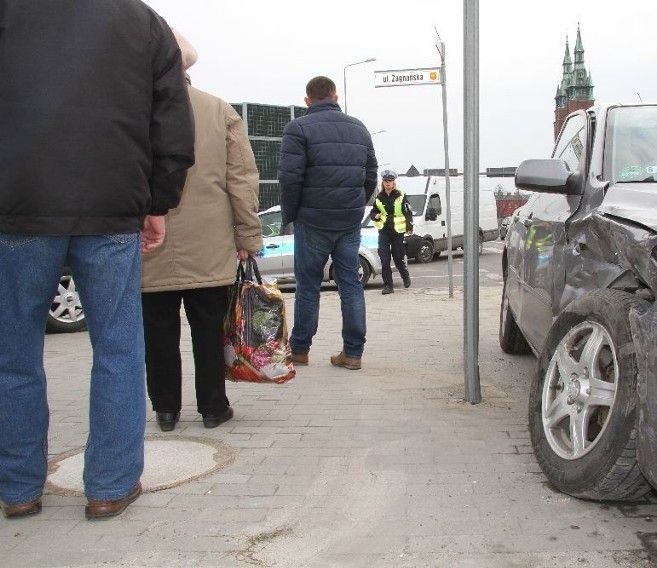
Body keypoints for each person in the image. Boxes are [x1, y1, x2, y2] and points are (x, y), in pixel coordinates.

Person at [0, 1, 194, 520]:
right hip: (112, 205)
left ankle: (18, 488)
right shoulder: (139, 20)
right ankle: (109, 485)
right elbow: (171, 116)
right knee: (118, 348)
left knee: (14, 354)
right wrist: (159, 202)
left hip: (19, 204)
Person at [141, 31, 262, 432]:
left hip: (147, 243)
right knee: (209, 329)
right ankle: (213, 407)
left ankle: (165, 410)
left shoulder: (134, 109)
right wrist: (247, 236)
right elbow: (241, 180)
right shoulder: (219, 110)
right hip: (210, 243)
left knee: (158, 331)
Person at [278, 76, 378, 371]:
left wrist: (292, 215)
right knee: (350, 285)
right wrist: (356, 205)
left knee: (308, 286)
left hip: (312, 220)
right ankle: (353, 353)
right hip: (348, 221)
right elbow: (370, 174)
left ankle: (299, 350)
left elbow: (289, 178)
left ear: (307, 100)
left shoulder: (297, 128)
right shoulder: (358, 127)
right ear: (336, 96)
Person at [370, 170, 413, 294]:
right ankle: (388, 286)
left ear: (394, 183)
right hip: (383, 231)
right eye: (385, 181)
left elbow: (408, 212)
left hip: (397, 231)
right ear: (382, 183)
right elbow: (373, 212)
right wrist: (375, 216)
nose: (387, 183)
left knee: (398, 257)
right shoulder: (379, 197)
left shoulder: (401, 195)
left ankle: (405, 275)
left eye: (390, 181)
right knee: (384, 259)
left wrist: (409, 227)